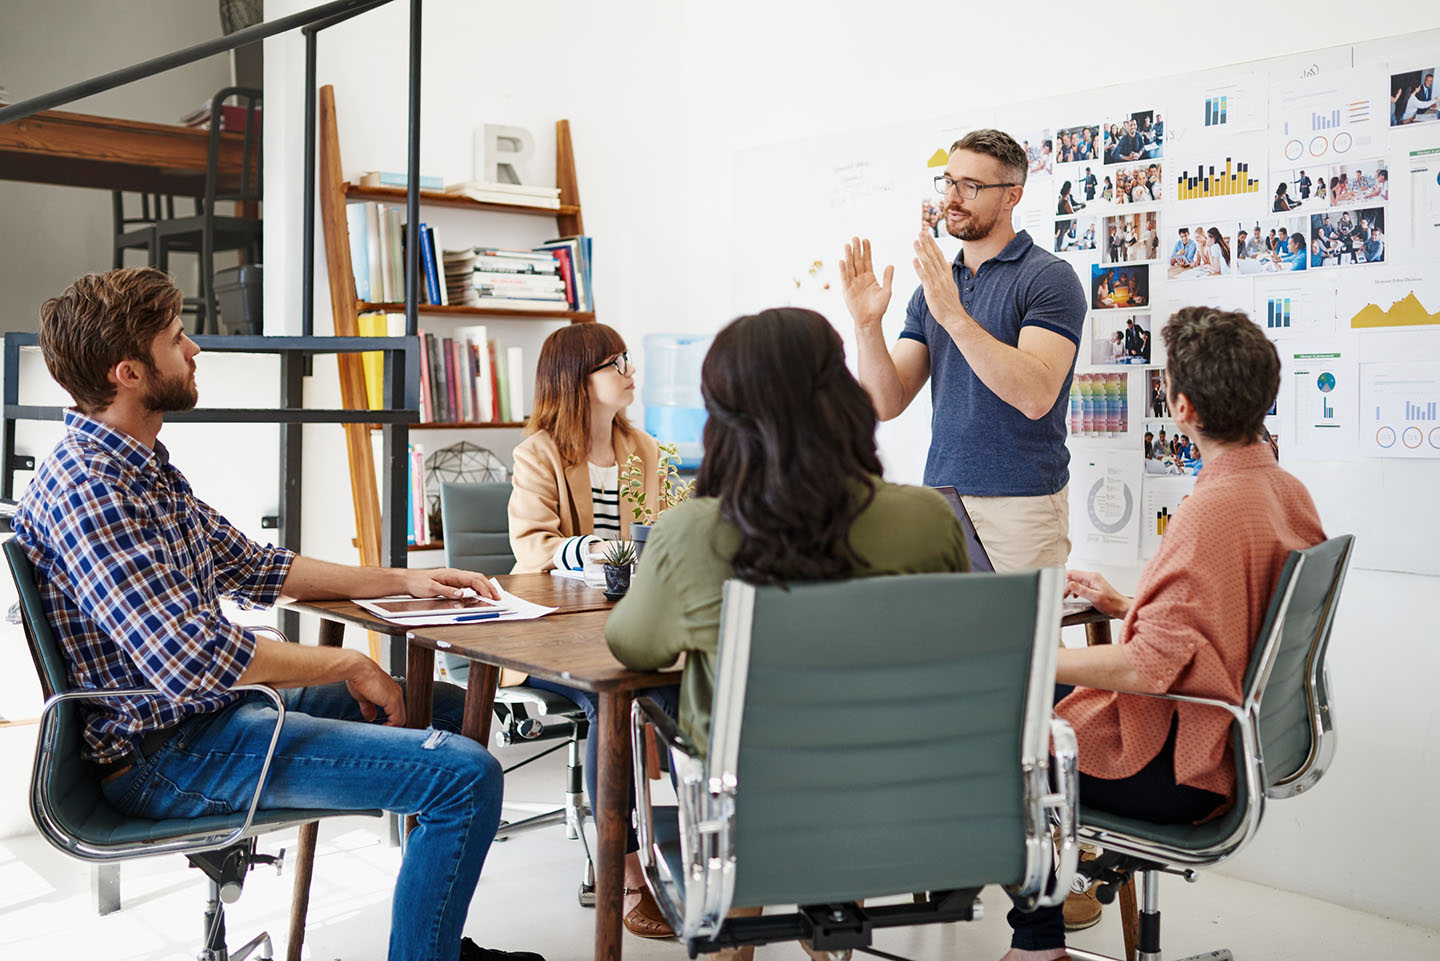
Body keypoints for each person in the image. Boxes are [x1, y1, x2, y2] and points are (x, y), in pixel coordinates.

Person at [10, 268, 541, 961]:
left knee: (436, 707)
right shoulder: (93, 490)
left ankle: (428, 940)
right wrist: (348, 662)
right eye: (177, 340)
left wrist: (408, 578)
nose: (196, 348)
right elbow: (189, 658)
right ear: (129, 372)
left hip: (206, 718)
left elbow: (258, 566)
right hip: (166, 754)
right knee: (463, 776)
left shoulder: (138, 465)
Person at [606, 308, 972, 961]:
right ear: (842, 400)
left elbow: (633, 646)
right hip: (894, 799)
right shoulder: (926, 518)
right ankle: (831, 936)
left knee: (736, 763)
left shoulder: (690, 533)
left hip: (746, 811)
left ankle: (734, 936)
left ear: (720, 420)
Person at [1000, 307, 1325, 961]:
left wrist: (1027, 656)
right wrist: (1124, 602)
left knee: (1001, 732)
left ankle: (1038, 947)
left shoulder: (1210, 512)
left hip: (1181, 764)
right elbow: (1233, 616)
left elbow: (1149, 669)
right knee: (1040, 690)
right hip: (1235, 742)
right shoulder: (1285, 490)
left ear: (1180, 407)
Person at [841, 128, 1086, 572]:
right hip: (941, 503)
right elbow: (884, 401)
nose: (953, 197)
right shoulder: (933, 290)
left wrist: (954, 315)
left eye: (970, 186)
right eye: (949, 182)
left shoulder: (1049, 279)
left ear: (1012, 196)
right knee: (944, 640)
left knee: (1024, 641)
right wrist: (866, 326)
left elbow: (1035, 396)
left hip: (1022, 505)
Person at [504, 322, 680, 939]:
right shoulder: (540, 453)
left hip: (631, 622)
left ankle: (694, 860)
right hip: (557, 634)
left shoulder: (644, 448)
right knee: (617, 708)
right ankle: (625, 871)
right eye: (615, 363)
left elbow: (661, 534)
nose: (629, 371)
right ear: (576, 382)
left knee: (679, 694)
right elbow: (533, 549)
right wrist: (610, 553)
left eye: (627, 359)